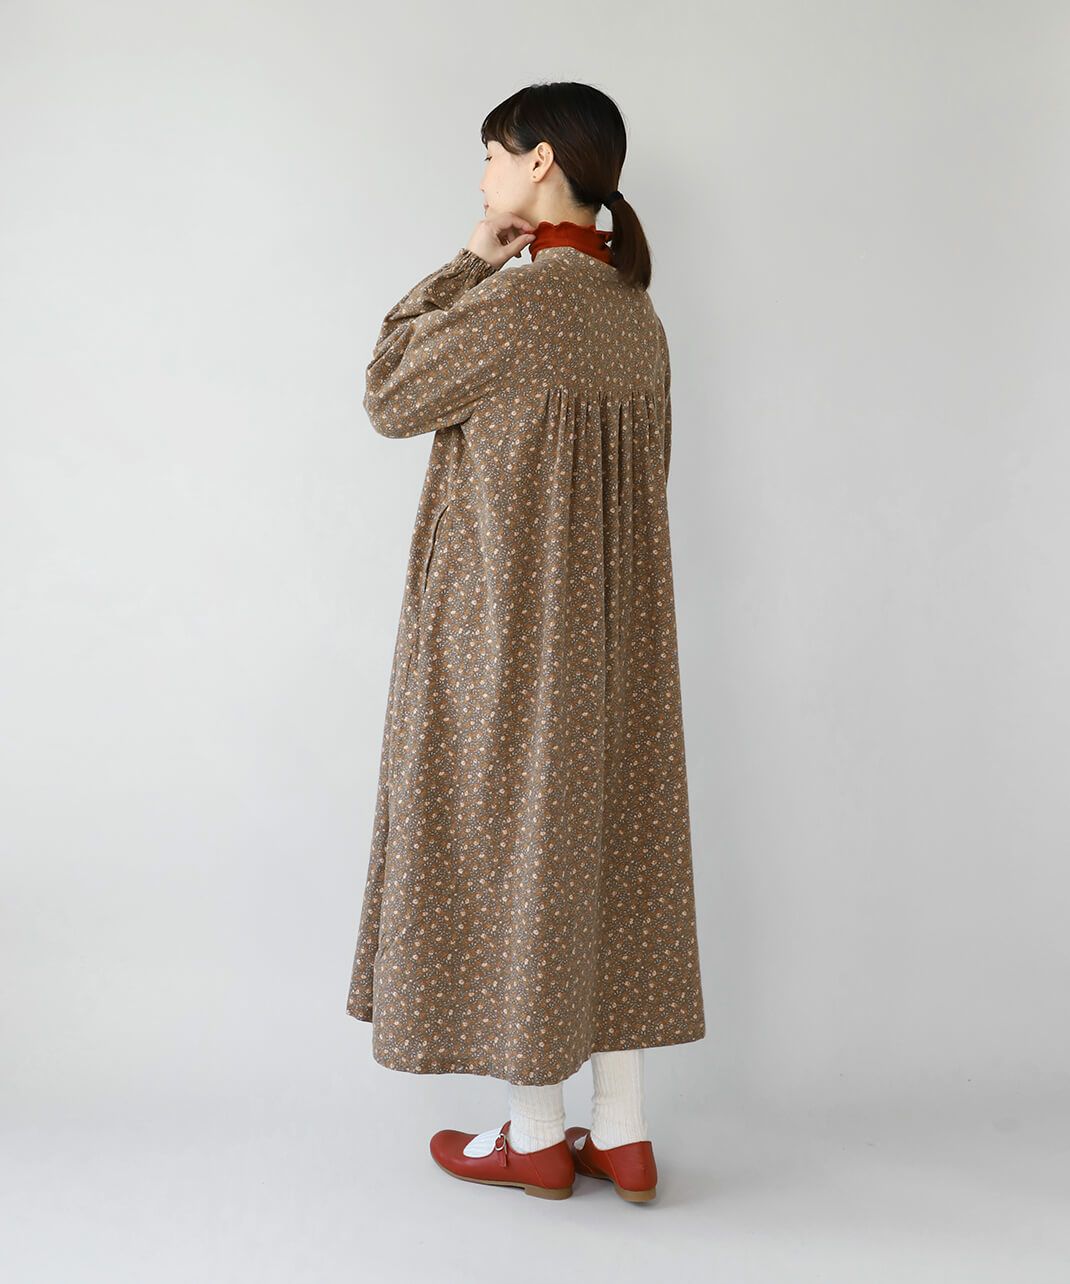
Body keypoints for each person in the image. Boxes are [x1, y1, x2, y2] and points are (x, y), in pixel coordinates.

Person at [346, 81, 705, 1202]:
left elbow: (387, 391)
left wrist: (468, 259)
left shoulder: (516, 307)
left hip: (504, 639)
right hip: (619, 647)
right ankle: (624, 1131)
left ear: (539, 160)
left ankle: (534, 1133)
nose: (485, 176)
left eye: (493, 156)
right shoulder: (636, 316)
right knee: (613, 855)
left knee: (513, 853)